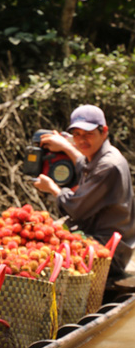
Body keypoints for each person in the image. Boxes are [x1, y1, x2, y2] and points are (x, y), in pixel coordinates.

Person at [33, 104, 135, 278]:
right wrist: (66, 147)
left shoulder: (108, 165)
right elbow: (84, 164)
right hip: (97, 238)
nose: (81, 140)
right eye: (77, 135)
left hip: (108, 251)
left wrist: (52, 189)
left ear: (104, 131)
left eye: (88, 134)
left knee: (42, 256)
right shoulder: (102, 156)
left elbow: (75, 208)